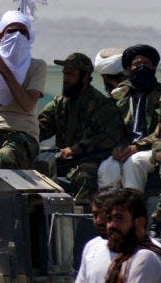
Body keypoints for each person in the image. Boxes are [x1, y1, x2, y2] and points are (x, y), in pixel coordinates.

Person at [39, 53, 125, 203]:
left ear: (85, 77)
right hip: (63, 160)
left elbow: (110, 136)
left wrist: (77, 148)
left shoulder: (101, 105)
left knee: (85, 176)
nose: (65, 79)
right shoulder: (59, 103)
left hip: (90, 159)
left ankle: (80, 220)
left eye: (71, 74)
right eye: (64, 73)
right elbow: (42, 126)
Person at [0, 10, 46, 169]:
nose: (17, 36)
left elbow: (27, 104)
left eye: (23, 32)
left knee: (7, 156)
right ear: (0, 36)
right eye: (11, 31)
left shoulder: (36, 66)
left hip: (23, 132)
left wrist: (3, 68)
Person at [97, 45, 161, 193]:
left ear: (154, 67)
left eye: (147, 64)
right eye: (137, 64)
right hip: (126, 149)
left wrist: (137, 146)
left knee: (135, 163)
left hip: (152, 148)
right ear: (128, 69)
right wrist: (117, 147)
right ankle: (109, 210)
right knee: (107, 168)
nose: (142, 67)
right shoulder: (119, 96)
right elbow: (111, 128)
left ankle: (132, 207)